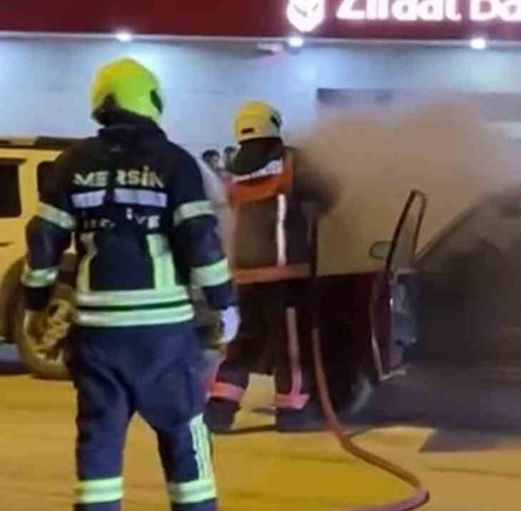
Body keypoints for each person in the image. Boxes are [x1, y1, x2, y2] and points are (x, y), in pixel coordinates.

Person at [20, 58, 239, 511]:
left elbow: (43, 240)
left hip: (97, 335)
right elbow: (200, 238)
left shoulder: (73, 162)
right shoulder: (174, 162)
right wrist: (224, 303)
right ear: (151, 100)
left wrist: (36, 302)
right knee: (184, 439)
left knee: (99, 444)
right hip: (163, 336)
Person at [205, 101, 337, 433]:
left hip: (245, 274)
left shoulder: (233, 166)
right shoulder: (291, 161)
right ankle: (293, 412)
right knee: (290, 347)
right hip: (285, 274)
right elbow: (329, 195)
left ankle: (219, 410)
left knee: (243, 344)